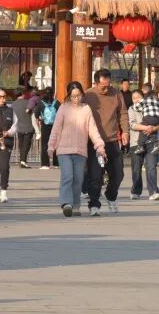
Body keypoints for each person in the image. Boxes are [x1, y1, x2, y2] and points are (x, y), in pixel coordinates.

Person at [48, 81, 106, 218]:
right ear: (69, 95)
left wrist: (100, 145)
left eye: (79, 95)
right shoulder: (63, 108)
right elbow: (56, 129)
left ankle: (75, 205)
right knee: (67, 176)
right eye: (73, 96)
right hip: (64, 150)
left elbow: (92, 129)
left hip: (80, 150)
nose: (76, 98)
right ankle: (66, 203)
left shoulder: (86, 109)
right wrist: (51, 146)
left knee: (78, 179)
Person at [82, 69, 128, 216]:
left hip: (112, 140)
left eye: (108, 85)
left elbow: (123, 113)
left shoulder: (116, 93)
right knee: (95, 175)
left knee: (118, 173)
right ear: (96, 83)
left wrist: (125, 131)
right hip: (94, 142)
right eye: (103, 86)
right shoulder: (88, 95)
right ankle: (94, 204)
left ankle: (111, 195)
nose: (106, 89)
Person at [128, 90, 159, 201]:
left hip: (151, 142)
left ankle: (153, 192)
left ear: (143, 98)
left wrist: (154, 128)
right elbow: (132, 124)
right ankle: (135, 191)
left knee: (151, 167)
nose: (136, 100)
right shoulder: (131, 109)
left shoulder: (152, 105)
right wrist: (146, 128)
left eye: (138, 97)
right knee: (136, 168)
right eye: (133, 98)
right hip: (136, 142)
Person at [11, 87, 37, 168]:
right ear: (22, 94)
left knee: (21, 145)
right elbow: (34, 113)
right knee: (26, 145)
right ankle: (23, 161)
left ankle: (22, 161)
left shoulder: (13, 104)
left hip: (19, 127)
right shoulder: (28, 102)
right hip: (29, 127)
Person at [38, 88, 59, 169]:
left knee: (45, 144)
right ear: (53, 93)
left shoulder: (41, 103)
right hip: (55, 126)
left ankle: (45, 164)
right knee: (56, 143)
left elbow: (36, 114)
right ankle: (56, 163)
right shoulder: (56, 103)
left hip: (45, 126)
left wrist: (41, 118)